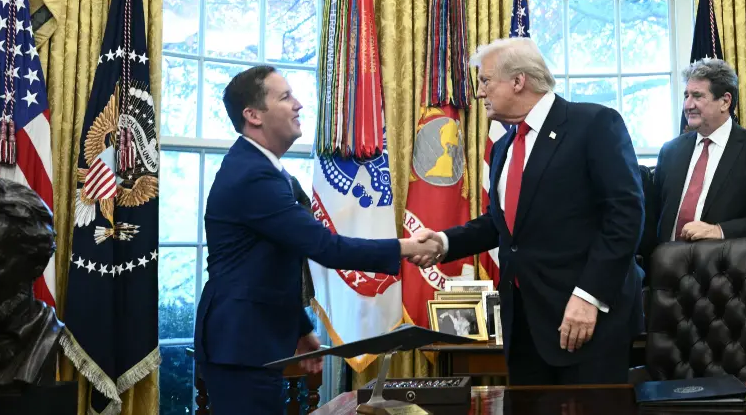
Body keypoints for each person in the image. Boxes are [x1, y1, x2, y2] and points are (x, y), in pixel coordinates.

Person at [194, 65, 442, 415]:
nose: (298, 105)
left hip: (250, 341)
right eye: (285, 97)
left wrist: (301, 328)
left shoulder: (263, 170)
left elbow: (269, 266)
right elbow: (324, 247)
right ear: (253, 116)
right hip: (241, 345)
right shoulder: (252, 175)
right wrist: (406, 247)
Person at [414, 37, 645, 385]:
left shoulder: (594, 123)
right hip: (523, 323)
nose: (479, 93)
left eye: (485, 81)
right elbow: (505, 225)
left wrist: (589, 297)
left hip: (585, 319)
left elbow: (625, 217)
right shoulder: (506, 145)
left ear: (518, 81)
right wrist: (444, 242)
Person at [647, 58, 746, 253]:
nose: (688, 105)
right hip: (667, 271)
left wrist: (719, 231)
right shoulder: (670, 151)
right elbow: (653, 217)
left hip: (726, 272)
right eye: (686, 96)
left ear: (725, 101)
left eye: (697, 96)